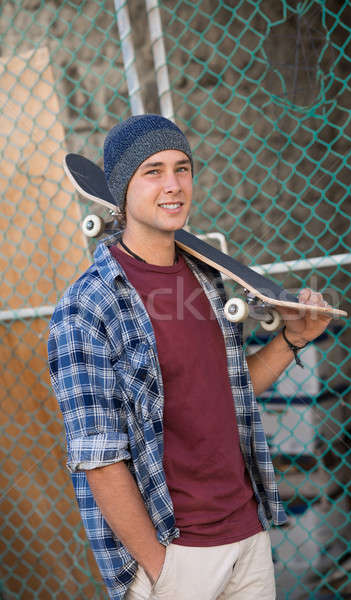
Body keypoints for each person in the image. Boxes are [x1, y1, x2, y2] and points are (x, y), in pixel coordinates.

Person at [48, 114, 332, 600]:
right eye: (153, 171)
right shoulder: (87, 308)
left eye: (183, 168)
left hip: (247, 532)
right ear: (120, 189)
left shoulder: (206, 279)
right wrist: (161, 570)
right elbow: (99, 458)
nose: (174, 185)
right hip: (175, 553)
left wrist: (292, 340)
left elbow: (228, 389)